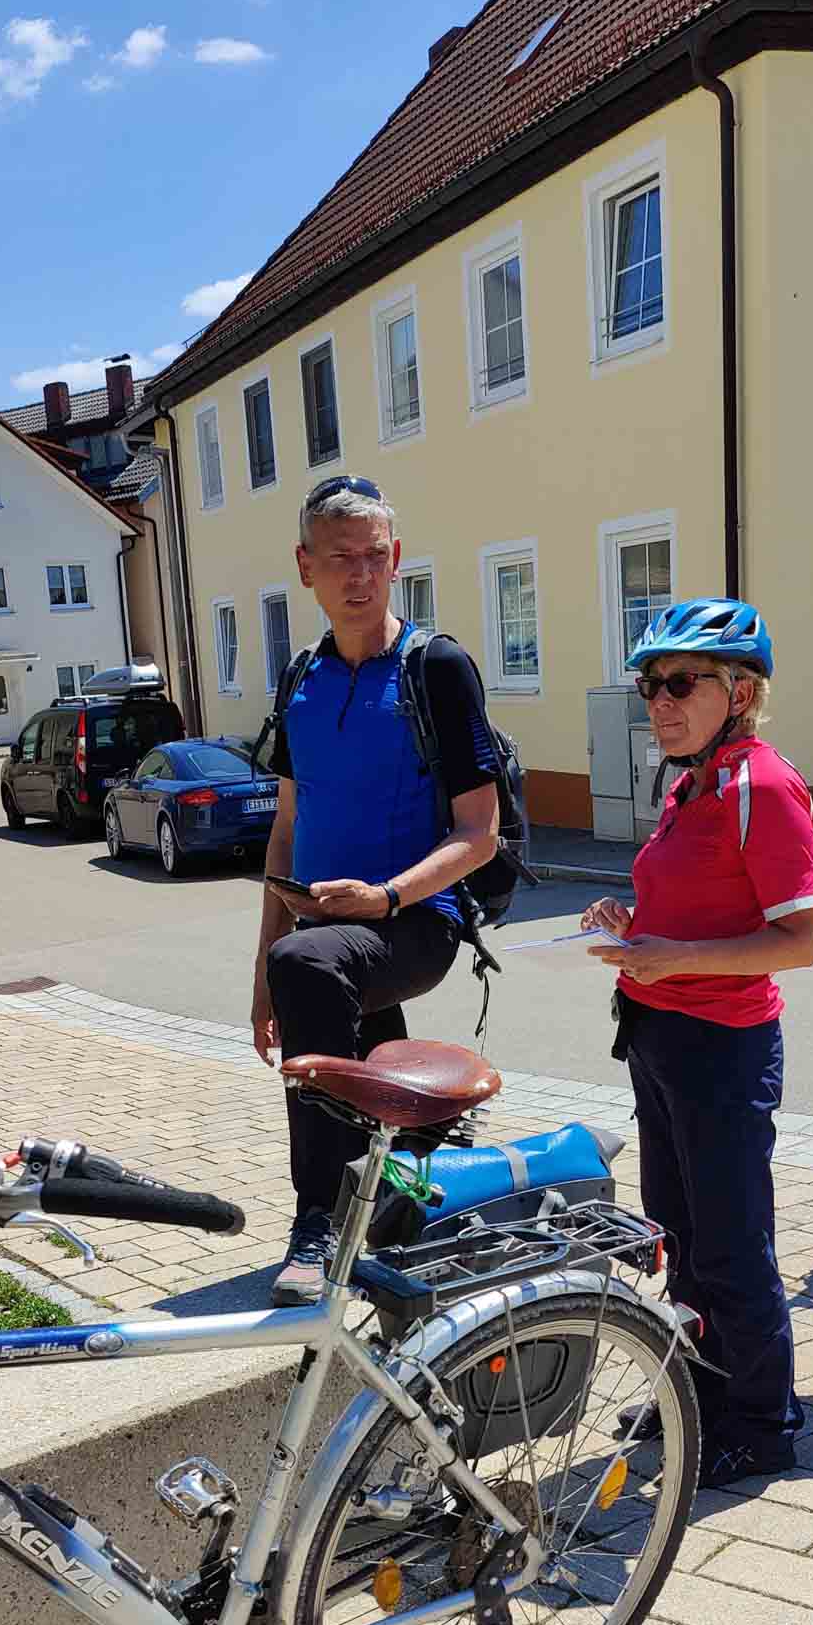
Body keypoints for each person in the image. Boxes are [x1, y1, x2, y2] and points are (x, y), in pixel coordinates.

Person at [582, 598, 813, 1489]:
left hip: (723, 1046)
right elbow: (698, 906)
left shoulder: (764, 784)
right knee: (678, 1235)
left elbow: (801, 940)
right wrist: (631, 922)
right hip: (659, 1035)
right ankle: (695, 1390)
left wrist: (676, 957)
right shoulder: (693, 782)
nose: (660, 701)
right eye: (651, 685)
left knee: (730, 1245)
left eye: (682, 682)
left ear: (741, 692)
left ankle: (760, 1425)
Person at [253, 474, 499, 1303]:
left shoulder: (436, 667)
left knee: (311, 966)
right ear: (305, 567)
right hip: (326, 934)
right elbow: (284, 833)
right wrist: (261, 974)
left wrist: (387, 897)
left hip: (415, 921)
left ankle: (318, 1221)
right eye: (340, 558)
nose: (360, 575)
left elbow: (480, 833)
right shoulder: (300, 678)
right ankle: (410, 1187)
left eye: (375, 556)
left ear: (396, 561)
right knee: (318, 990)